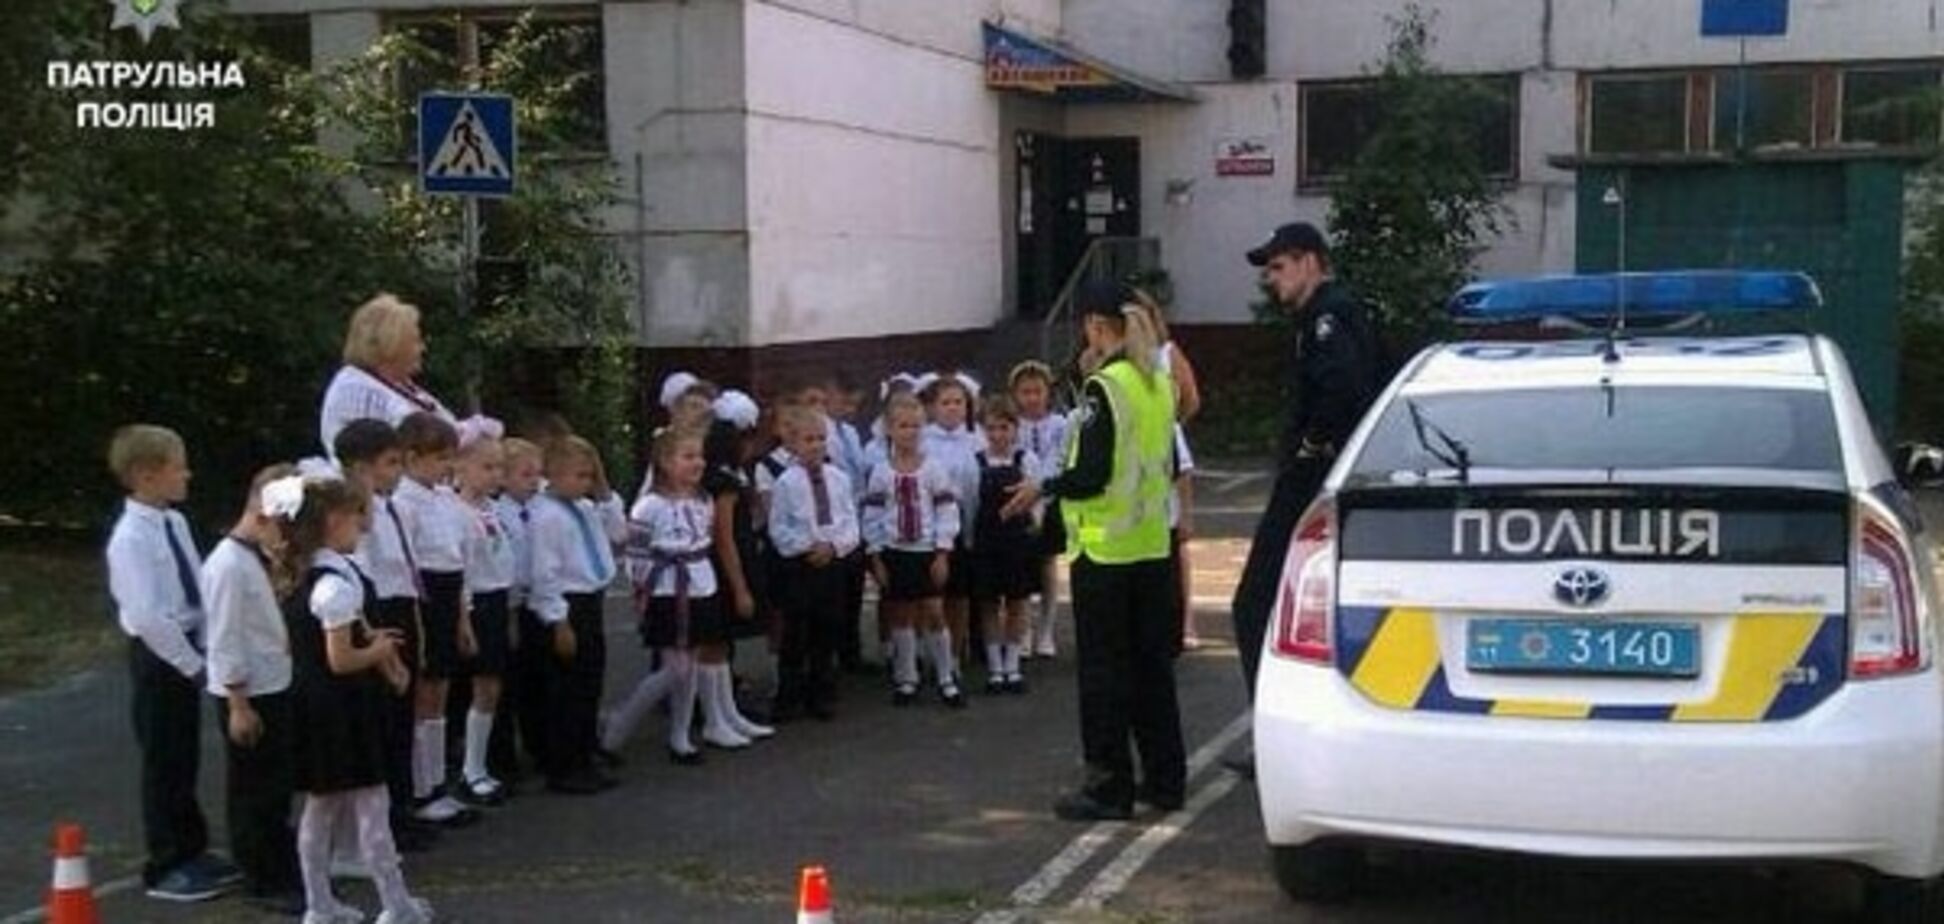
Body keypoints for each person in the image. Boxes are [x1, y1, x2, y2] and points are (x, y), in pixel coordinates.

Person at [1001, 279, 1183, 822]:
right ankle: (1166, 778)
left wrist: (1043, 486)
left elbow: (1091, 473)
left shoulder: (1109, 387)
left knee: (1105, 676)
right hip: (1152, 545)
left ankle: (1108, 786)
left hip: (1106, 554)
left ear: (1096, 328)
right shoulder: (1158, 383)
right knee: (1152, 670)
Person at [1227, 222, 1381, 778]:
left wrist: (1313, 448)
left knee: (1256, 606)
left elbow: (1344, 391)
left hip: (1311, 483)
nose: (1272, 279)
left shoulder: (1327, 318)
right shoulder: (1329, 314)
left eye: (1279, 266)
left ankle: (1271, 734)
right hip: (1323, 481)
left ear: (1311, 262)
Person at [263, 474, 432, 924]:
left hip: (314, 705)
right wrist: (377, 650)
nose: (363, 525)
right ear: (334, 521)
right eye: (358, 517)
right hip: (341, 709)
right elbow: (340, 659)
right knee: (372, 808)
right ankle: (395, 904)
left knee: (322, 809)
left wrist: (370, 638)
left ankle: (320, 904)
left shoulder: (307, 578)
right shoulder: (334, 585)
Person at [105, 424, 241, 902]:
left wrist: (210, 640)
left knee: (184, 753)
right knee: (163, 757)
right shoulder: (129, 538)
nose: (187, 473)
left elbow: (197, 585)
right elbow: (146, 615)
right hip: (161, 654)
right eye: (177, 465)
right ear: (145, 475)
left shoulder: (175, 522)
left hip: (188, 643)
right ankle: (166, 863)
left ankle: (193, 847)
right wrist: (191, 664)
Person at [201, 463, 304, 915]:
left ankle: (282, 866)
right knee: (254, 790)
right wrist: (239, 704)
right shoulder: (227, 564)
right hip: (249, 692)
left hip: (273, 682)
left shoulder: (256, 558)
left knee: (275, 786)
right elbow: (224, 638)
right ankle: (262, 877)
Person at [333, 419, 439, 851]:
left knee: (402, 718)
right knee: (386, 721)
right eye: (390, 462)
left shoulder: (391, 504)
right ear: (362, 467)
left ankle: (404, 806)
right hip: (377, 611)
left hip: (403, 604)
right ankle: (387, 820)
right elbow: (360, 568)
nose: (398, 470)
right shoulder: (360, 512)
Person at [389, 411, 481, 828]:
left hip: (448, 594)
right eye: (439, 458)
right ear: (411, 457)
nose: (447, 467)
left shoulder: (444, 500)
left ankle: (437, 782)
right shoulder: (403, 503)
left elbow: (457, 559)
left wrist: (462, 617)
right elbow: (409, 567)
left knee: (440, 693)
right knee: (424, 694)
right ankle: (420, 789)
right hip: (423, 598)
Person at [528, 436, 628, 794]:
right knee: (566, 690)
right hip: (567, 605)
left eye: (590, 475)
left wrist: (602, 491)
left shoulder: (585, 507)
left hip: (591, 599)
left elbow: (618, 533)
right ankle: (564, 764)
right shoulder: (546, 516)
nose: (585, 482)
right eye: (579, 476)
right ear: (552, 474)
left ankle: (585, 752)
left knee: (590, 683)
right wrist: (558, 620)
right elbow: (545, 572)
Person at [860, 394, 964, 708]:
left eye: (916, 426)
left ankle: (946, 676)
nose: (910, 432)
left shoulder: (933, 469)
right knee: (901, 615)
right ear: (889, 430)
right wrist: (876, 556)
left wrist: (943, 552)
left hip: (926, 551)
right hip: (895, 551)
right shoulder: (881, 472)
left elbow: (946, 510)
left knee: (934, 611)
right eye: (903, 426)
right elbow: (873, 516)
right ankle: (907, 676)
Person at [767, 406, 861, 721]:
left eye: (821, 439)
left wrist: (834, 547)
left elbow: (850, 521)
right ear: (793, 443)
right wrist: (807, 547)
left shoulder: (839, 479)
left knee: (827, 629)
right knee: (796, 632)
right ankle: (788, 696)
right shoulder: (786, 483)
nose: (817, 445)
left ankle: (821, 692)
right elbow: (778, 527)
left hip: (832, 563)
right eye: (809, 439)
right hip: (800, 565)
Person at [453, 419, 514, 804]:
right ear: (460, 466)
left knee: (492, 687)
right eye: (486, 467)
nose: (495, 476)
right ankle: (470, 769)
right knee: (481, 685)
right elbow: (460, 569)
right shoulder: (457, 512)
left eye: (498, 468)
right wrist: (465, 618)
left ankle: (480, 763)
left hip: (496, 600)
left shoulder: (492, 509)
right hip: (473, 605)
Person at [318, 294, 456, 460]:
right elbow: (415, 442)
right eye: (416, 341)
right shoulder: (356, 391)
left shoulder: (401, 385)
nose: (422, 349)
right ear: (392, 344)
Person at [971, 395, 1042, 694]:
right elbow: (969, 500)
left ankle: (1013, 664)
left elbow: (1038, 497)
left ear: (1015, 428)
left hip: (1017, 540)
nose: (998, 434)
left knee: (1017, 601)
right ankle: (995, 667)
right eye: (991, 428)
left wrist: (1034, 523)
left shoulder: (1026, 459)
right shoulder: (974, 461)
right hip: (987, 539)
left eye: (1004, 427)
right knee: (988, 602)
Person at [920, 374, 984, 669]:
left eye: (958, 402)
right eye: (945, 402)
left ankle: (956, 654)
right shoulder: (923, 441)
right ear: (932, 407)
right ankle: (933, 651)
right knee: (934, 595)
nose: (953, 408)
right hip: (930, 527)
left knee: (960, 595)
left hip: (967, 524)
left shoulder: (976, 439)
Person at [495, 437, 546, 782]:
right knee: (509, 683)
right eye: (526, 474)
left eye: (537, 474)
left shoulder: (543, 508)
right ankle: (503, 758)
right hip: (512, 603)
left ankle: (540, 745)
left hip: (539, 601)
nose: (534, 481)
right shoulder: (499, 514)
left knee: (539, 681)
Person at [1009, 361, 1068, 660]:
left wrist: (1041, 488)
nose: (1031, 398)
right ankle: (1024, 630)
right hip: (1020, 499)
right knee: (1021, 565)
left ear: (1048, 393)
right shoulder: (1013, 425)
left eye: (1037, 391)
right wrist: (1027, 489)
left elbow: (1060, 458)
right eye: (1025, 392)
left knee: (1047, 563)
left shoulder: (1061, 424)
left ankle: (1046, 630)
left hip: (1051, 499)